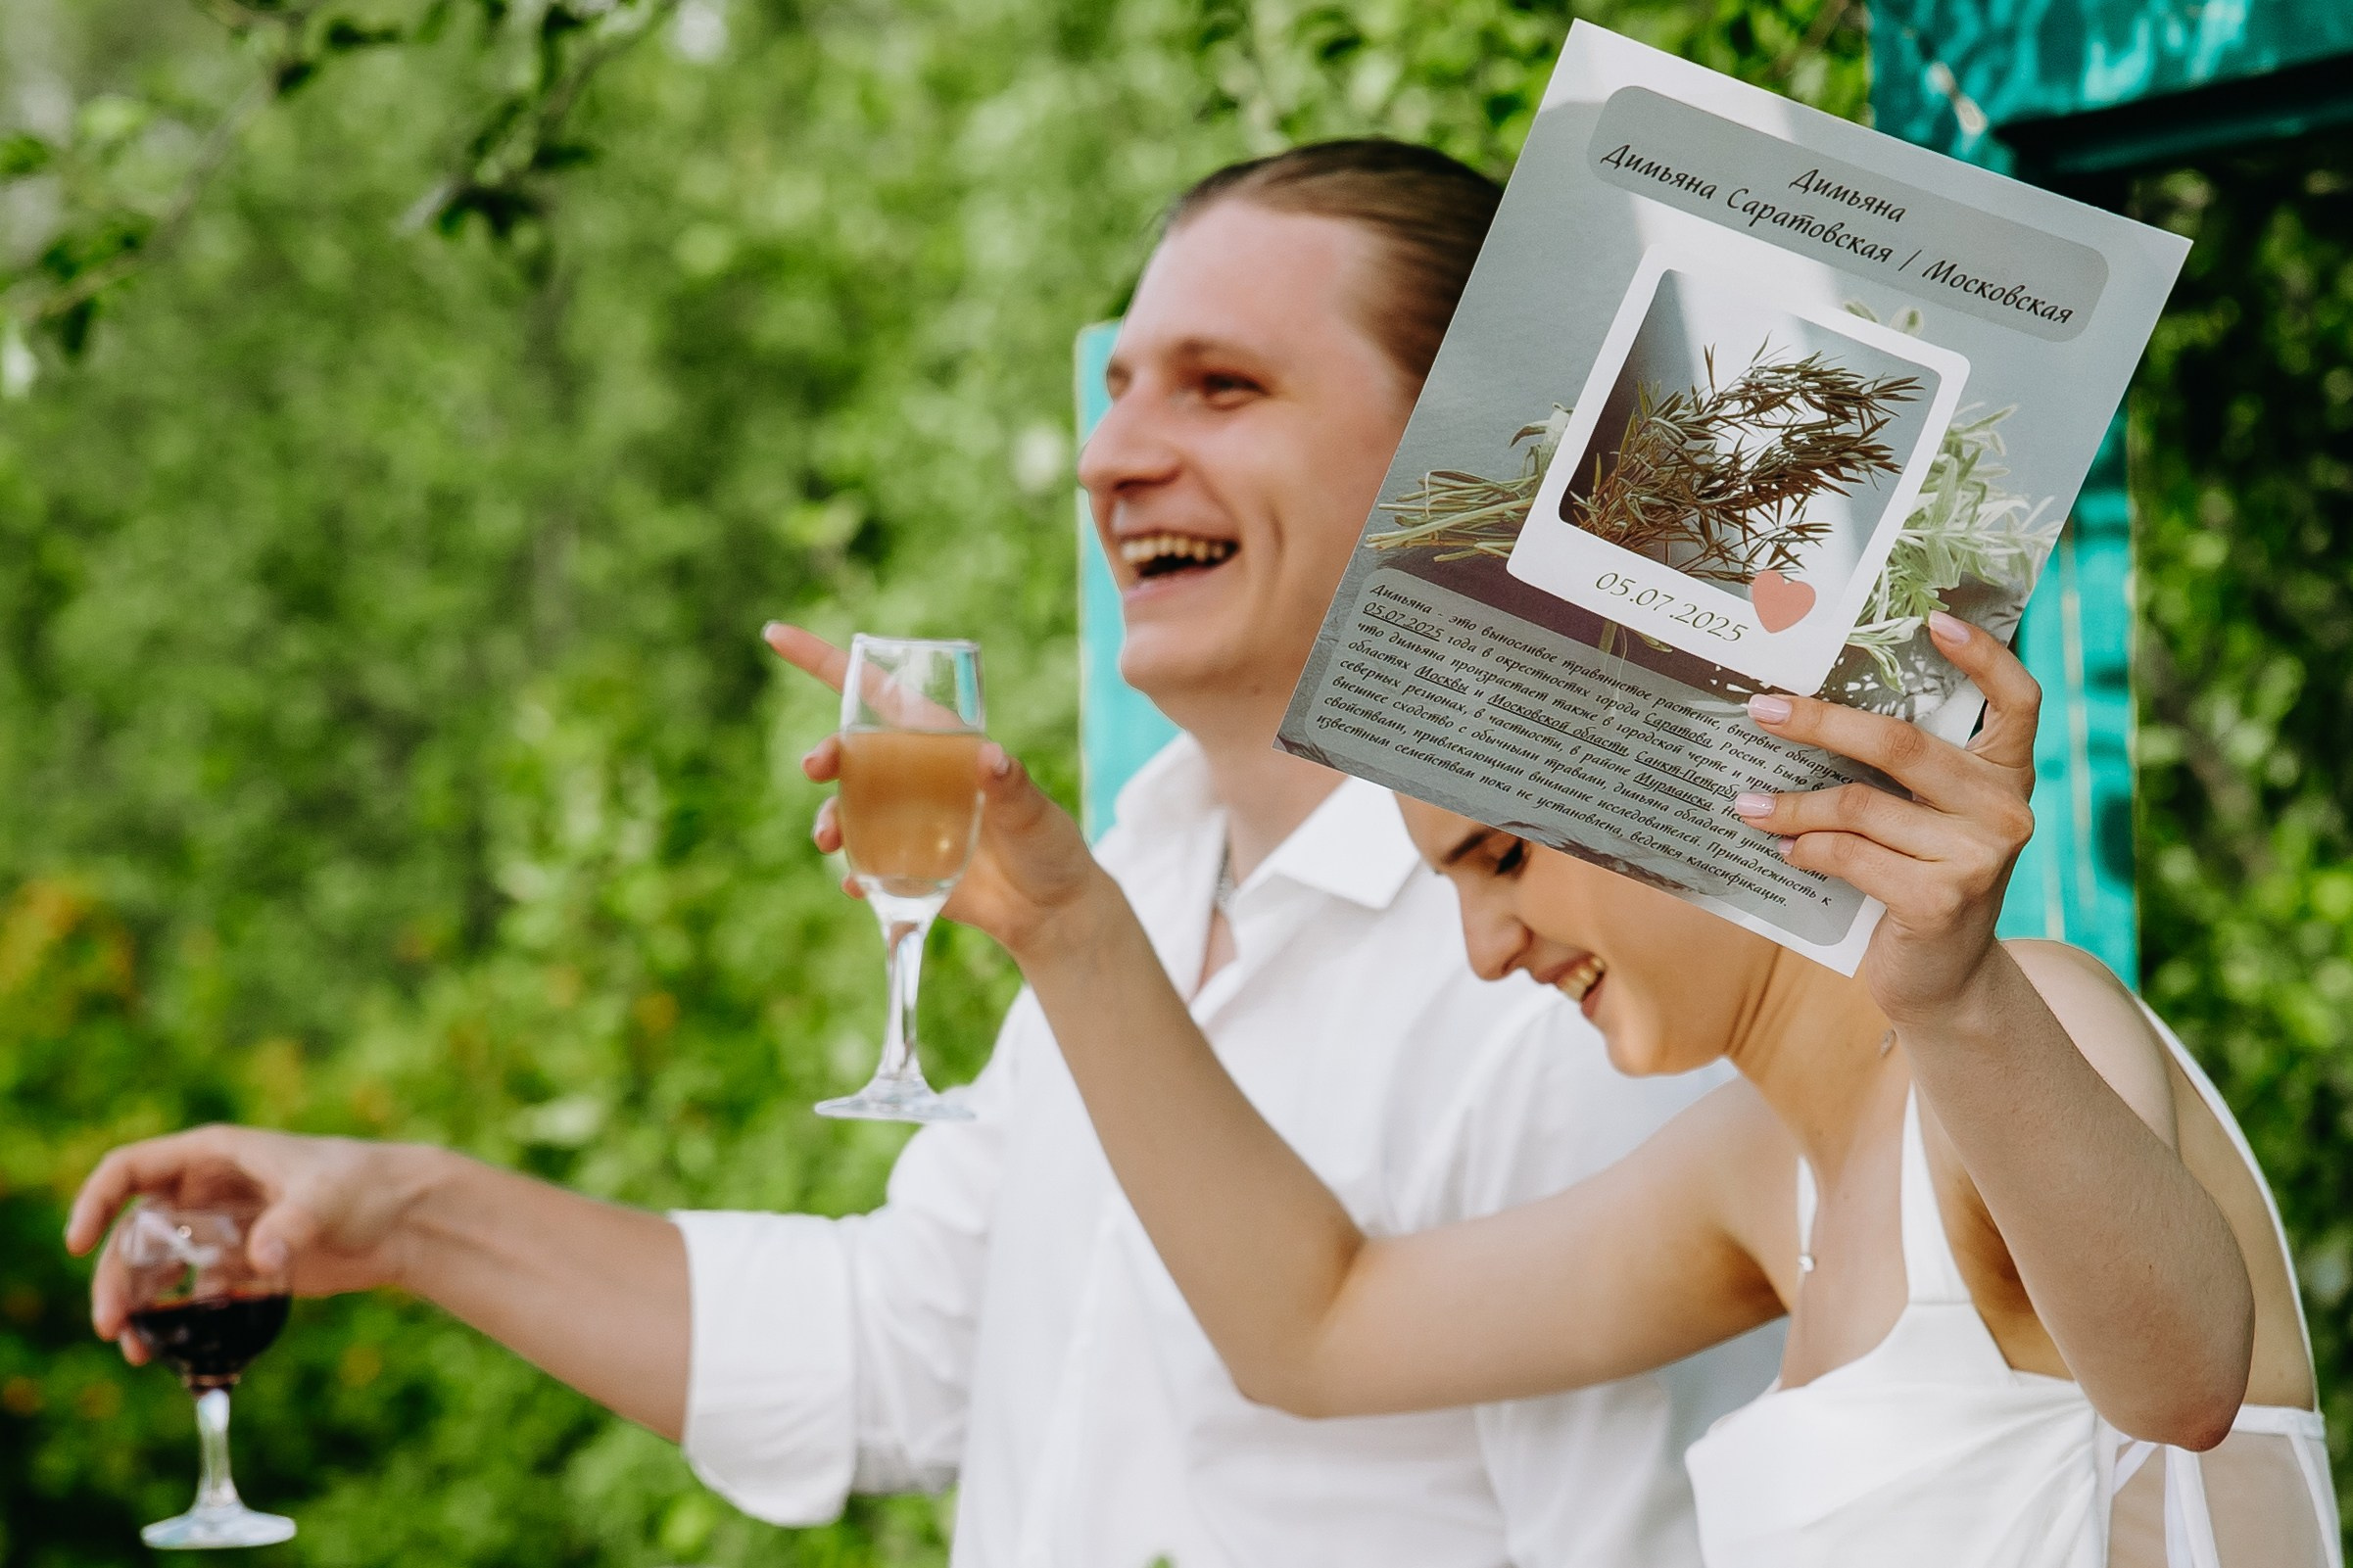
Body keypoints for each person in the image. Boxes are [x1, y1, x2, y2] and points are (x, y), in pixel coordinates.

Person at [69, 141, 1777, 1567]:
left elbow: (1641, 1537)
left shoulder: (1583, 971)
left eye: (1222, 386)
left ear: (1470, 455)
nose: (1110, 458)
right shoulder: (1141, 879)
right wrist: (404, 1215)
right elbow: (897, 1346)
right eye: (1116, 392)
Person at [773, 607, 2339, 1567]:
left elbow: (2176, 1384)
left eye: (1502, 857)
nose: (1483, 948)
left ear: (1705, 769)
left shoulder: (2023, 1014)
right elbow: (1313, 1328)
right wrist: (1070, 928)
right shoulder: (1753, 1171)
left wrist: (1952, 988)